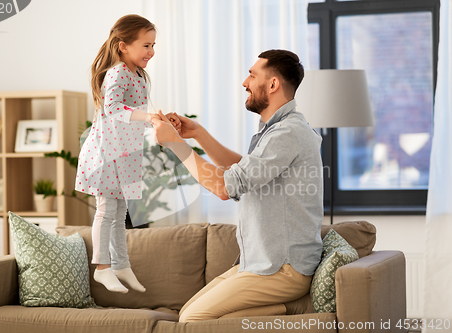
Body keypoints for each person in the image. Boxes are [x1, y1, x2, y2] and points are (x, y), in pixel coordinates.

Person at [152, 49, 323, 321]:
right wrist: (197, 133)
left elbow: (224, 187)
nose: (245, 82)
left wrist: (175, 144)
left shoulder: (287, 133)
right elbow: (241, 169)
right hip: (262, 265)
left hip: (282, 269)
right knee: (186, 312)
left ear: (273, 84)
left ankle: (293, 306)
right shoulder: (276, 130)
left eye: (252, 75)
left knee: (192, 320)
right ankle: (288, 308)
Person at [75, 14, 179, 293]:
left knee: (121, 213)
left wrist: (158, 118)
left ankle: (121, 264)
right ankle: (102, 267)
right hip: (106, 152)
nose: (152, 51)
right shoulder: (118, 72)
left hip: (126, 152)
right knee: (107, 210)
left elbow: (135, 112)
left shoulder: (139, 75)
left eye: (153, 45)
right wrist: (148, 117)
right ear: (123, 46)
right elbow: (113, 109)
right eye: (146, 45)